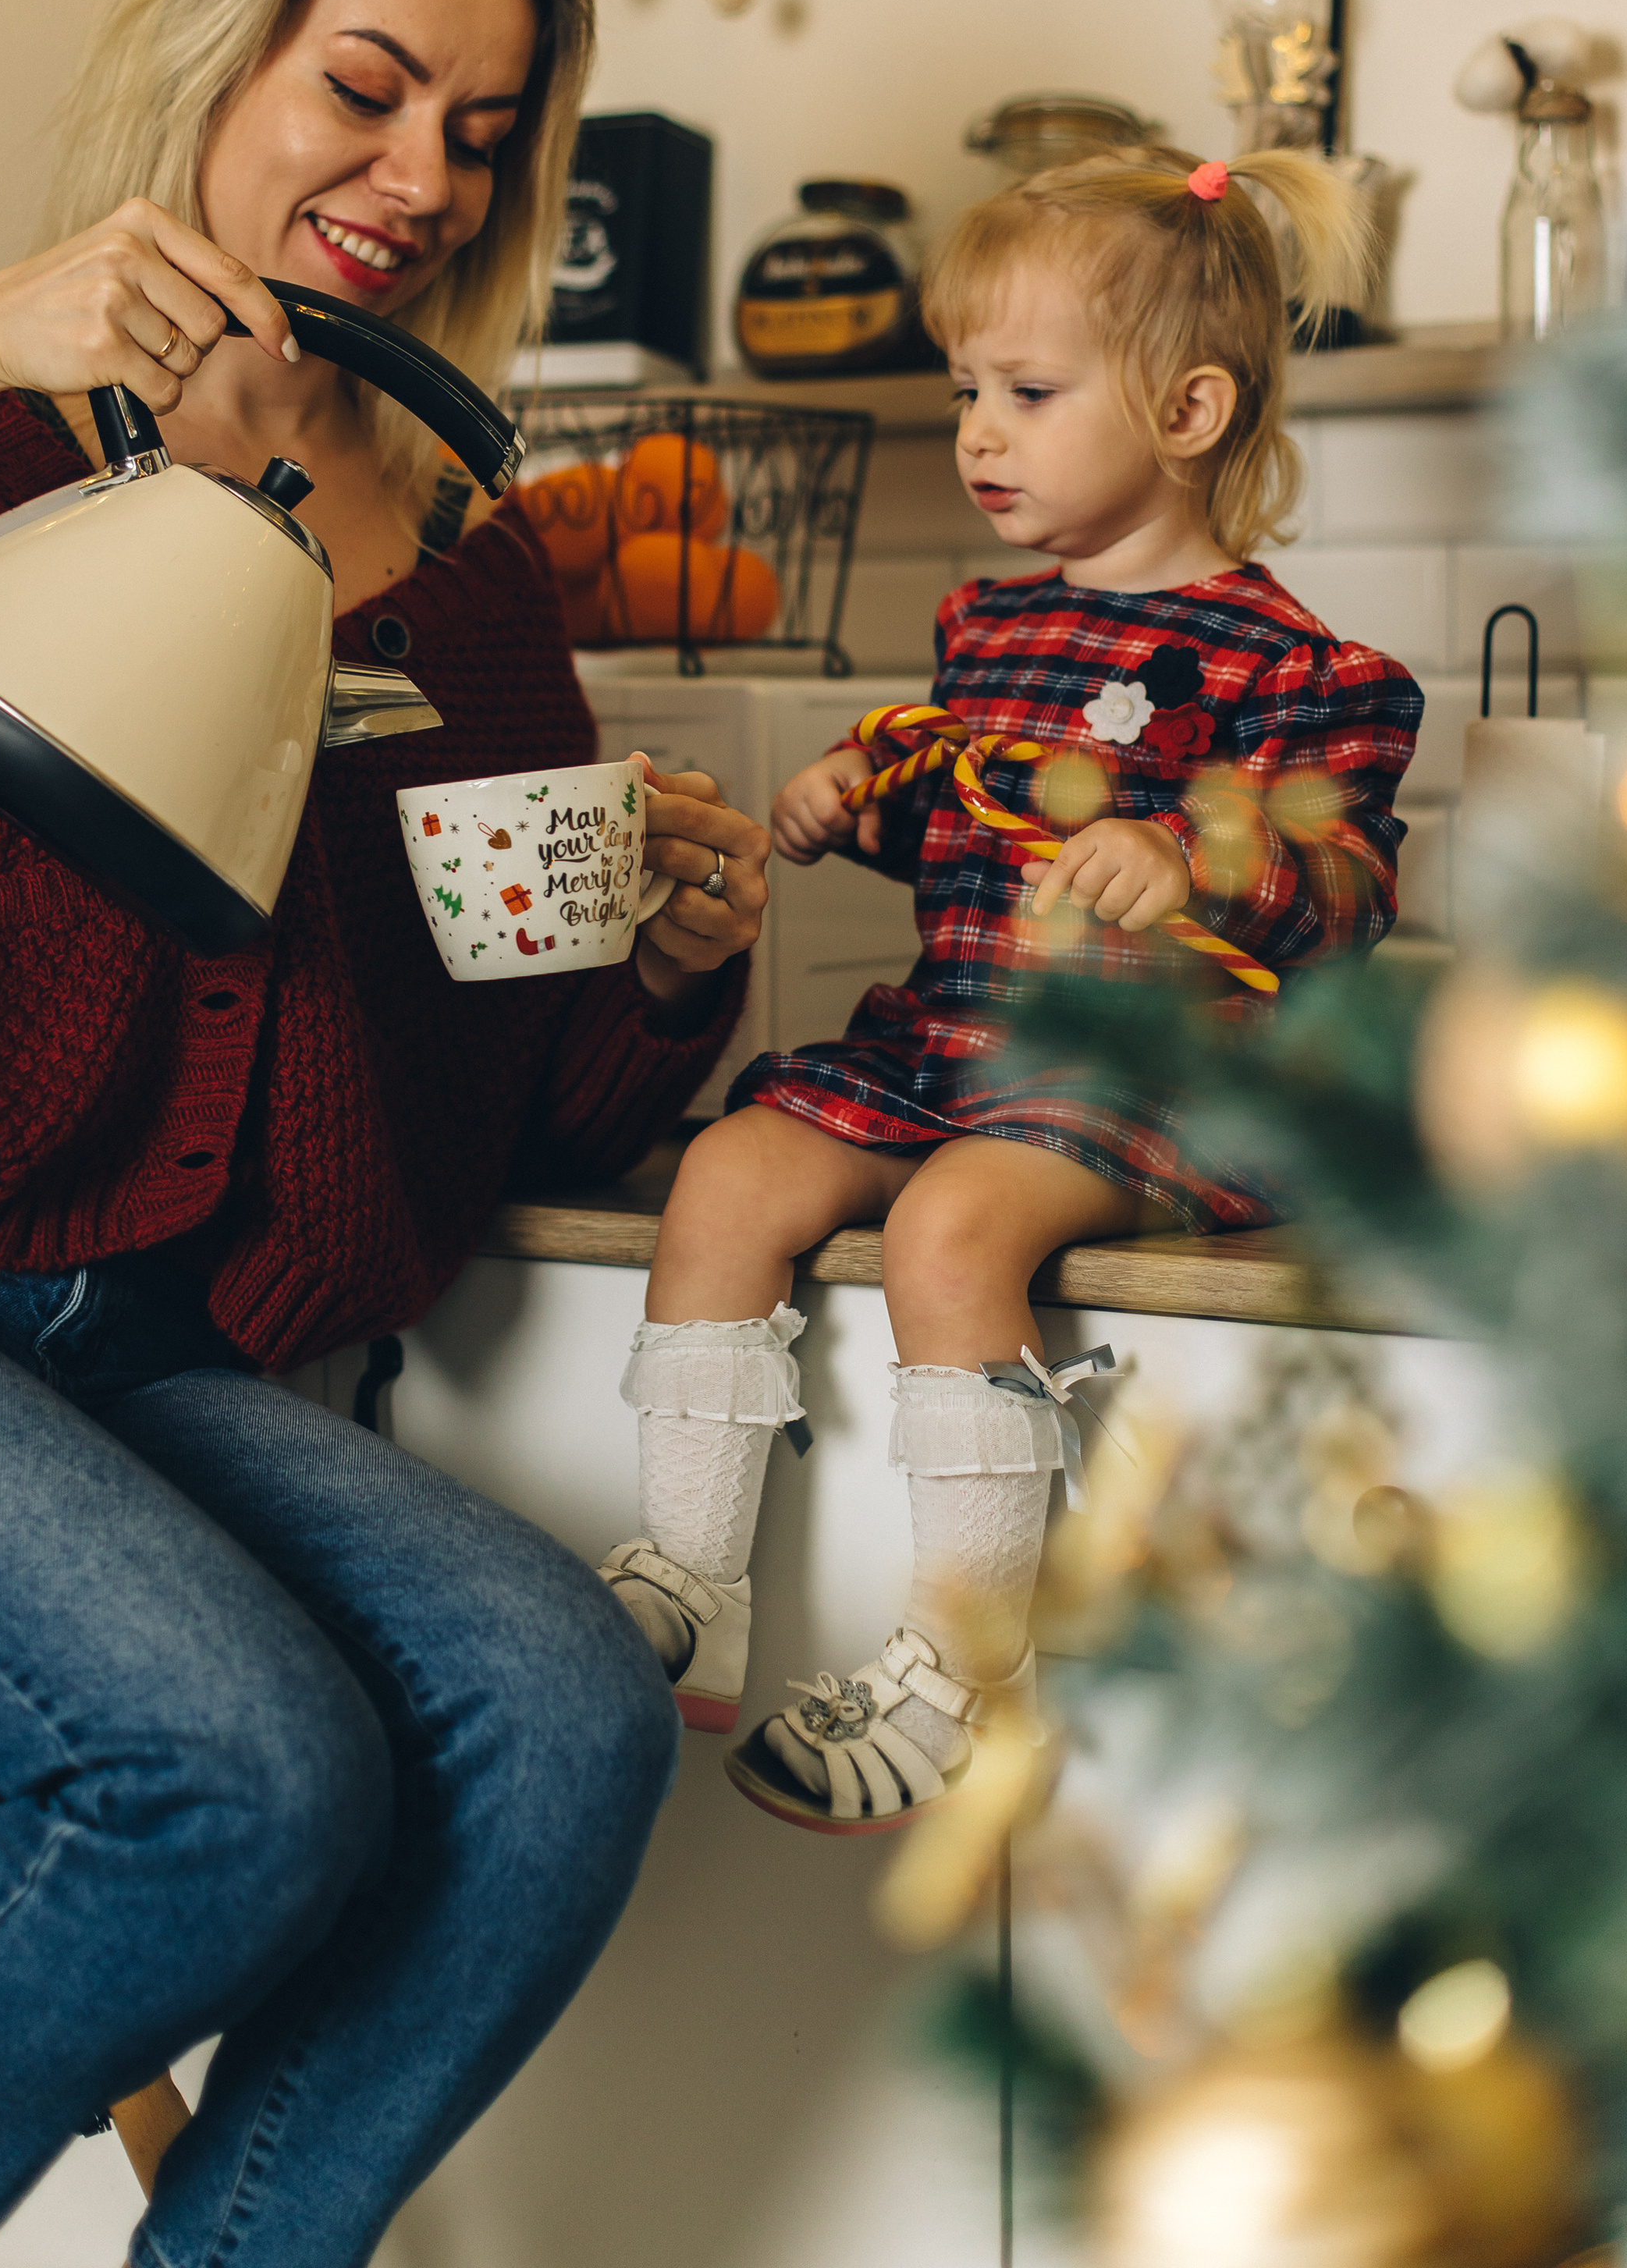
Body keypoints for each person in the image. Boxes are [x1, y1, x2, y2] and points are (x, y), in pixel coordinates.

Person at [0, 0, 770, 2268]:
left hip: (153, 1357)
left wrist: (654, 971)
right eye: (369, 86)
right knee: (232, 1764)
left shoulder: (482, 583)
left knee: (559, 1723)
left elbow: (500, 1112)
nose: (422, 172)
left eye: (483, 135)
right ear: (225, 58)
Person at [598, 151, 1423, 1832]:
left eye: (1026, 392)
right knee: (726, 1172)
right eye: (969, 387)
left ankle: (968, 1660)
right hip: (950, 1049)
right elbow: (976, 828)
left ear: (1189, 408)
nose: (977, 430)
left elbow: (1341, 884)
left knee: (953, 1228)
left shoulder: (1291, 668)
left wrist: (1192, 857)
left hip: (1146, 1077)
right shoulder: (988, 629)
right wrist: (864, 798)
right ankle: (692, 1579)